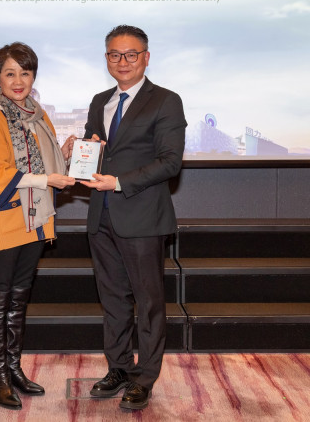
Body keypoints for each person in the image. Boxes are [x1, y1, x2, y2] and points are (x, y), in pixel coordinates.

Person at [80, 25, 187, 410]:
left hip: (142, 218)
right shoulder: (100, 101)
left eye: (131, 54)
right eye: (114, 54)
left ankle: (145, 377)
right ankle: (119, 368)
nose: (122, 61)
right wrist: (81, 151)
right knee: (113, 302)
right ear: (106, 58)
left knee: (148, 302)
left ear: (146, 57)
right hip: (101, 217)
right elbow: (95, 151)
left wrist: (120, 182)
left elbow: (170, 162)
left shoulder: (166, 101)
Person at [0, 42, 76, 410]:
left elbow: (47, 165)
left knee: (19, 296)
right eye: (10, 73)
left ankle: (14, 368)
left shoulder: (39, 114)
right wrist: (47, 177)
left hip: (35, 219)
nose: (18, 81)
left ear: (34, 76)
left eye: (25, 73)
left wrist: (65, 155)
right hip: (7, 218)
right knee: (0, 296)